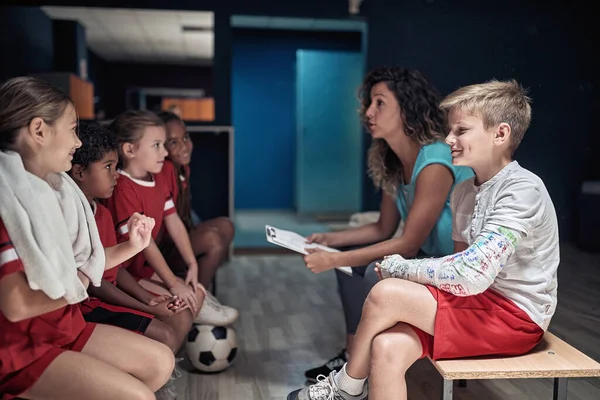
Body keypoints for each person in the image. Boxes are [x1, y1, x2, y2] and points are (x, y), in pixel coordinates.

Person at [288, 79, 560, 400]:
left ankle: (347, 385)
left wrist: (401, 270)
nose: (449, 139)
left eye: (461, 131)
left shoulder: (522, 190)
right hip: (479, 306)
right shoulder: (464, 190)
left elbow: (470, 275)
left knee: (386, 292)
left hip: (516, 318)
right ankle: (349, 384)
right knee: (386, 346)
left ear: (500, 134)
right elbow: (457, 266)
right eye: (450, 130)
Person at [0, 77, 174, 400]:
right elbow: (17, 305)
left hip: (63, 326)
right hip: (22, 351)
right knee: (140, 397)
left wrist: (132, 246)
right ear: (39, 131)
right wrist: (76, 285)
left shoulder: (53, 189)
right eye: (71, 129)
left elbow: (82, 265)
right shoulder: (8, 201)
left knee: (160, 361)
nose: (77, 143)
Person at [302, 67, 473, 381]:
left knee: (371, 268)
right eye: (369, 103)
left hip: (454, 269)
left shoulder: (435, 158)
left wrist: (333, 259)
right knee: (353, 256)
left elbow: (407, 243)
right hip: (429, 258)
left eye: (379, 103)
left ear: (407, 109)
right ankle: (352, 354)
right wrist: (330, 240)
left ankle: (363, 370)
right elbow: (382, 228)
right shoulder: (393, 161)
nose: (368, 112)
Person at [70, 122, 195, 399]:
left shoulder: (100, 213)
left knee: (172, 324)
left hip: (103, 299)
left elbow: (114, 268)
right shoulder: (76, 216)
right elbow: (96, 283)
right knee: (164, 335)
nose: (116, 175)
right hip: (87, 306)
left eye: (116, 167)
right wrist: (145, 304)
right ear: (79, 171)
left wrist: (148, 301)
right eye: (108, 167)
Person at [104, 110, 235, 326]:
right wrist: (173, 282)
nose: (165, 153)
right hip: (125, 273)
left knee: (195, 295)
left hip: (145, 268)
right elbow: (145, 244)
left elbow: (172, 219)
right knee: (182, 308)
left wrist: (192, 263)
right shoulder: (123, 189)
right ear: (129, 149)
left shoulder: (157, 177)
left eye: (164, 145)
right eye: (157, 145)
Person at [156, 111, 238, 325]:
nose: (184, 146)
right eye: (174, 142)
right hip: (164, 250)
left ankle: (201, 291)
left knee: (226, 226)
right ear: (161, 147)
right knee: (212, 239)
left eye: (186, 138)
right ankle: (197, 302)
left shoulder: (182, 167)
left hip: (178, 239)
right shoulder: (164, 169)